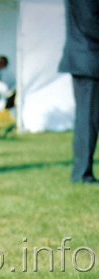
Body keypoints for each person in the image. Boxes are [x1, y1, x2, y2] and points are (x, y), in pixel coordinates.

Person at [58, 0, 99, 184]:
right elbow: (90, 22)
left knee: (88, 118)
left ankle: (83, 171)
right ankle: (82, 173)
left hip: (86, 58)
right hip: (88, 58)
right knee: (87, 118)